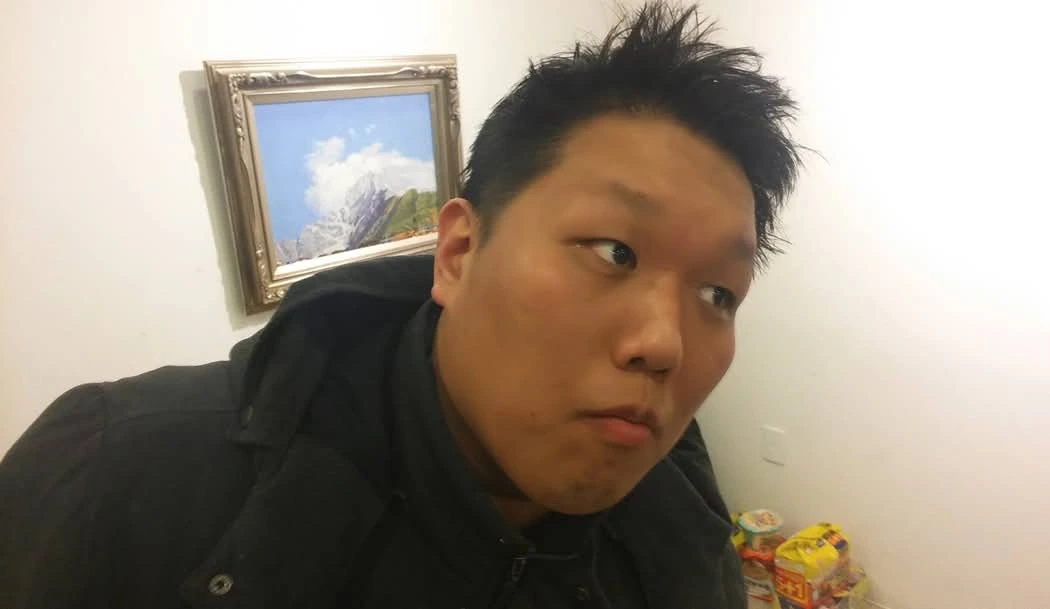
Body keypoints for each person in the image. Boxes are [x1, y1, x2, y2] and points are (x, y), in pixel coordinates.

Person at [0, 2, 800, 608]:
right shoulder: (114, 475)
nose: (666, 343)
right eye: (614, 251)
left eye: (717, 293)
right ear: (457, 253)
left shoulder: (679, 512)